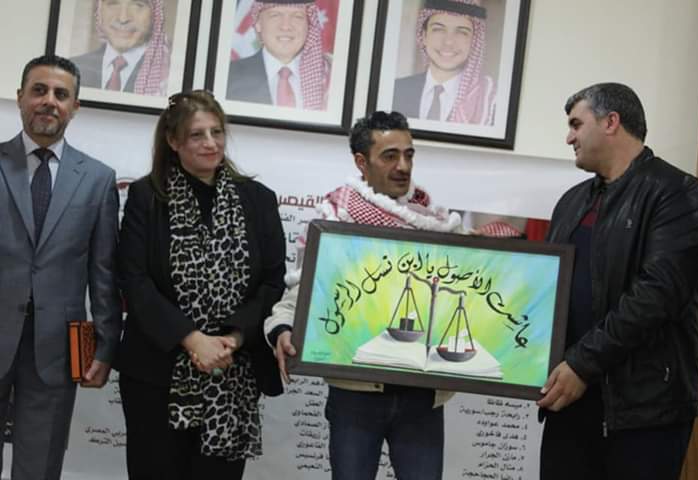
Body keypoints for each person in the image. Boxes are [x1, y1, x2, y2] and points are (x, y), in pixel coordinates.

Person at [264, 111, 463, 480]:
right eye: (390, 156)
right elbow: (301, 292)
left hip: (422, 395)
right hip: (355, 392)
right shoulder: (334, 220)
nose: (403, 166)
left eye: (409, 154)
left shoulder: (436, 223)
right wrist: (282, 329)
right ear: (361, 161)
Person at [538, 83, 698, 480]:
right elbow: (548, 288)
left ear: (611, 122)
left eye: (576, 124)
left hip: (644, 412)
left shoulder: (676, 193)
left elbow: (658, 294)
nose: (569, 137)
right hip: (570, 402)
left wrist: (582, 364)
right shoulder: (571, 201)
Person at [115, 90, 285, 479]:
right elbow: (134, 280)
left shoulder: (258, 200)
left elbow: (272, 282)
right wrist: (192, 340)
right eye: (197, 134)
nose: (211, 143)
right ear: (173, 141)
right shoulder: (146, 196)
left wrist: (233, 338)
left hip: (231, 374)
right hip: (156, 377)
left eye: (217, 132)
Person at [0, 54, 122, 479]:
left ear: (75, 106)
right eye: (39, 90)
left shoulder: (98, 179)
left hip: (55, 350)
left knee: (39, 468)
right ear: (20, 97)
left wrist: (105, 347)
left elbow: (104, 273)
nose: (49, 101)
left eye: (61, 94)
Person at [392, 0, 495, 125]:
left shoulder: (488, 101)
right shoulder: (395, 90)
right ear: (424, 36)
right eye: (438, 29)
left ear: (474, 42)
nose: (448, 42)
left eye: (462, 32)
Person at [226, 0, 331, 110]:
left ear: (309, 25)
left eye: (297, 16)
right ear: (258, 24)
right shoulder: (229, 77)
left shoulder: (329, 79)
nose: (286, 26)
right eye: (275, 15)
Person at [71, 0, 170, 95]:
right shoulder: (73, 68)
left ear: (154, 14)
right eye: (113, 3)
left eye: (138, 5)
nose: (123, 18)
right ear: (99, 10)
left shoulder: (167, 76)